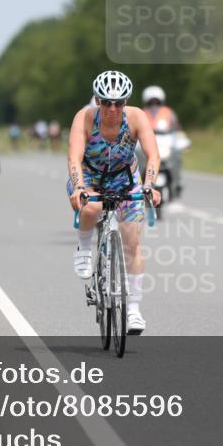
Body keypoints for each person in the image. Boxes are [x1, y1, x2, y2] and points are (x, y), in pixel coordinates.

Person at [67, 70, 162, 335]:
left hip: (125, 179)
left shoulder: (136, 117)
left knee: (132, 240)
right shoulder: (84, 118)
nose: (112, 108)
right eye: (106, 102)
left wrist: (149, 185)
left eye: (119, 102)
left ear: (126, 102)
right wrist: (79, 188)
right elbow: (74, 157)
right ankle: (85, 247)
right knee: (93, 207)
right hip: (89, 177)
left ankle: (133, 310)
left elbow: (152, 156)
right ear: (97, 100)